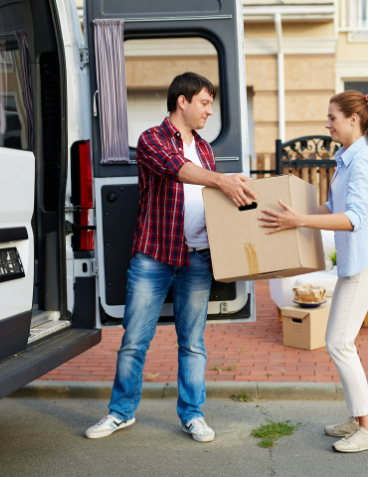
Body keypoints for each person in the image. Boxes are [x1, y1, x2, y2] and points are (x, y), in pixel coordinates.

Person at [85, 72, 257, 442]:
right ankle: (120, 413)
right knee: (134, 339)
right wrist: (221, 180)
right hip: (154, 257)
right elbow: (176, 170)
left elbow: (212, 198)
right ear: (183, 101)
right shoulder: (151, 139)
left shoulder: (206, 148)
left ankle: (193, 415)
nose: (210, 111)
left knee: (192, 343)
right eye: (205, 102)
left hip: (198, 259)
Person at [258, 91, 368, 453]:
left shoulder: (362, 163)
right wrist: (291, 213)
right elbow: (331, 207)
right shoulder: (347, 159)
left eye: (332, 117)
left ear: (354, 119)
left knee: (338, 341)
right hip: (357, 260)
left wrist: (300, 220)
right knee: (339, 341)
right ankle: (358, 417)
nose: (327, 123)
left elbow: (352, 219)